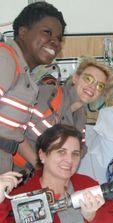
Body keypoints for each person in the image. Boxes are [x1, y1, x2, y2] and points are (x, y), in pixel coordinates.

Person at [0, 124, 113, 223]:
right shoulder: (20, 198)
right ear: (42, 155)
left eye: (75, 154)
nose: (69, 160)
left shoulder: (89, 185)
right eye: (61, 151)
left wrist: (94, 217)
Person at [0, 2, 67, 174]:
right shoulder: (6, 59)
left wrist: (42, 168)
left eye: (59, 38)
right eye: (47, 32)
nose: (55, 42)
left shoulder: (26, 77)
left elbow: (14, 135)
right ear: (23, 31)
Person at [22, 57, 113, 159]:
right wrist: (40, 168)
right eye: (88, 79)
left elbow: (80, 150)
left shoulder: (81, 116)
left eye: (100, 86)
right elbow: (15, 133)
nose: (93, 87)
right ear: (75, 78)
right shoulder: (48, 95)